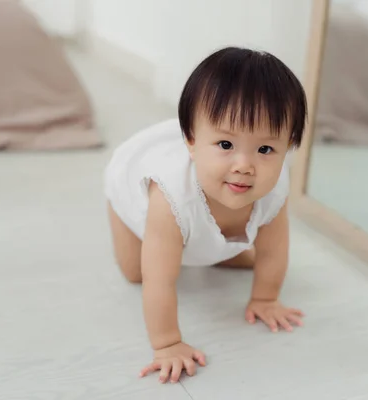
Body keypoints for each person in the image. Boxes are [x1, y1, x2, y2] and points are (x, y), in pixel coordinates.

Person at [103, 47, 307, 383]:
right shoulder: (169, 198)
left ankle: (211, 248)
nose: (244, 165)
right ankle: (199, 247)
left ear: (288, 147)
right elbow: (160, 281)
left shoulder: (275, 186)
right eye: (226, 145)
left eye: (266, 149)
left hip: (203, 222)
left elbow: (274, 249)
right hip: (131, 200)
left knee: (246, 254)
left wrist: (265, 298)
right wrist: (167, 344)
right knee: (137, 271)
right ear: (192, 141)